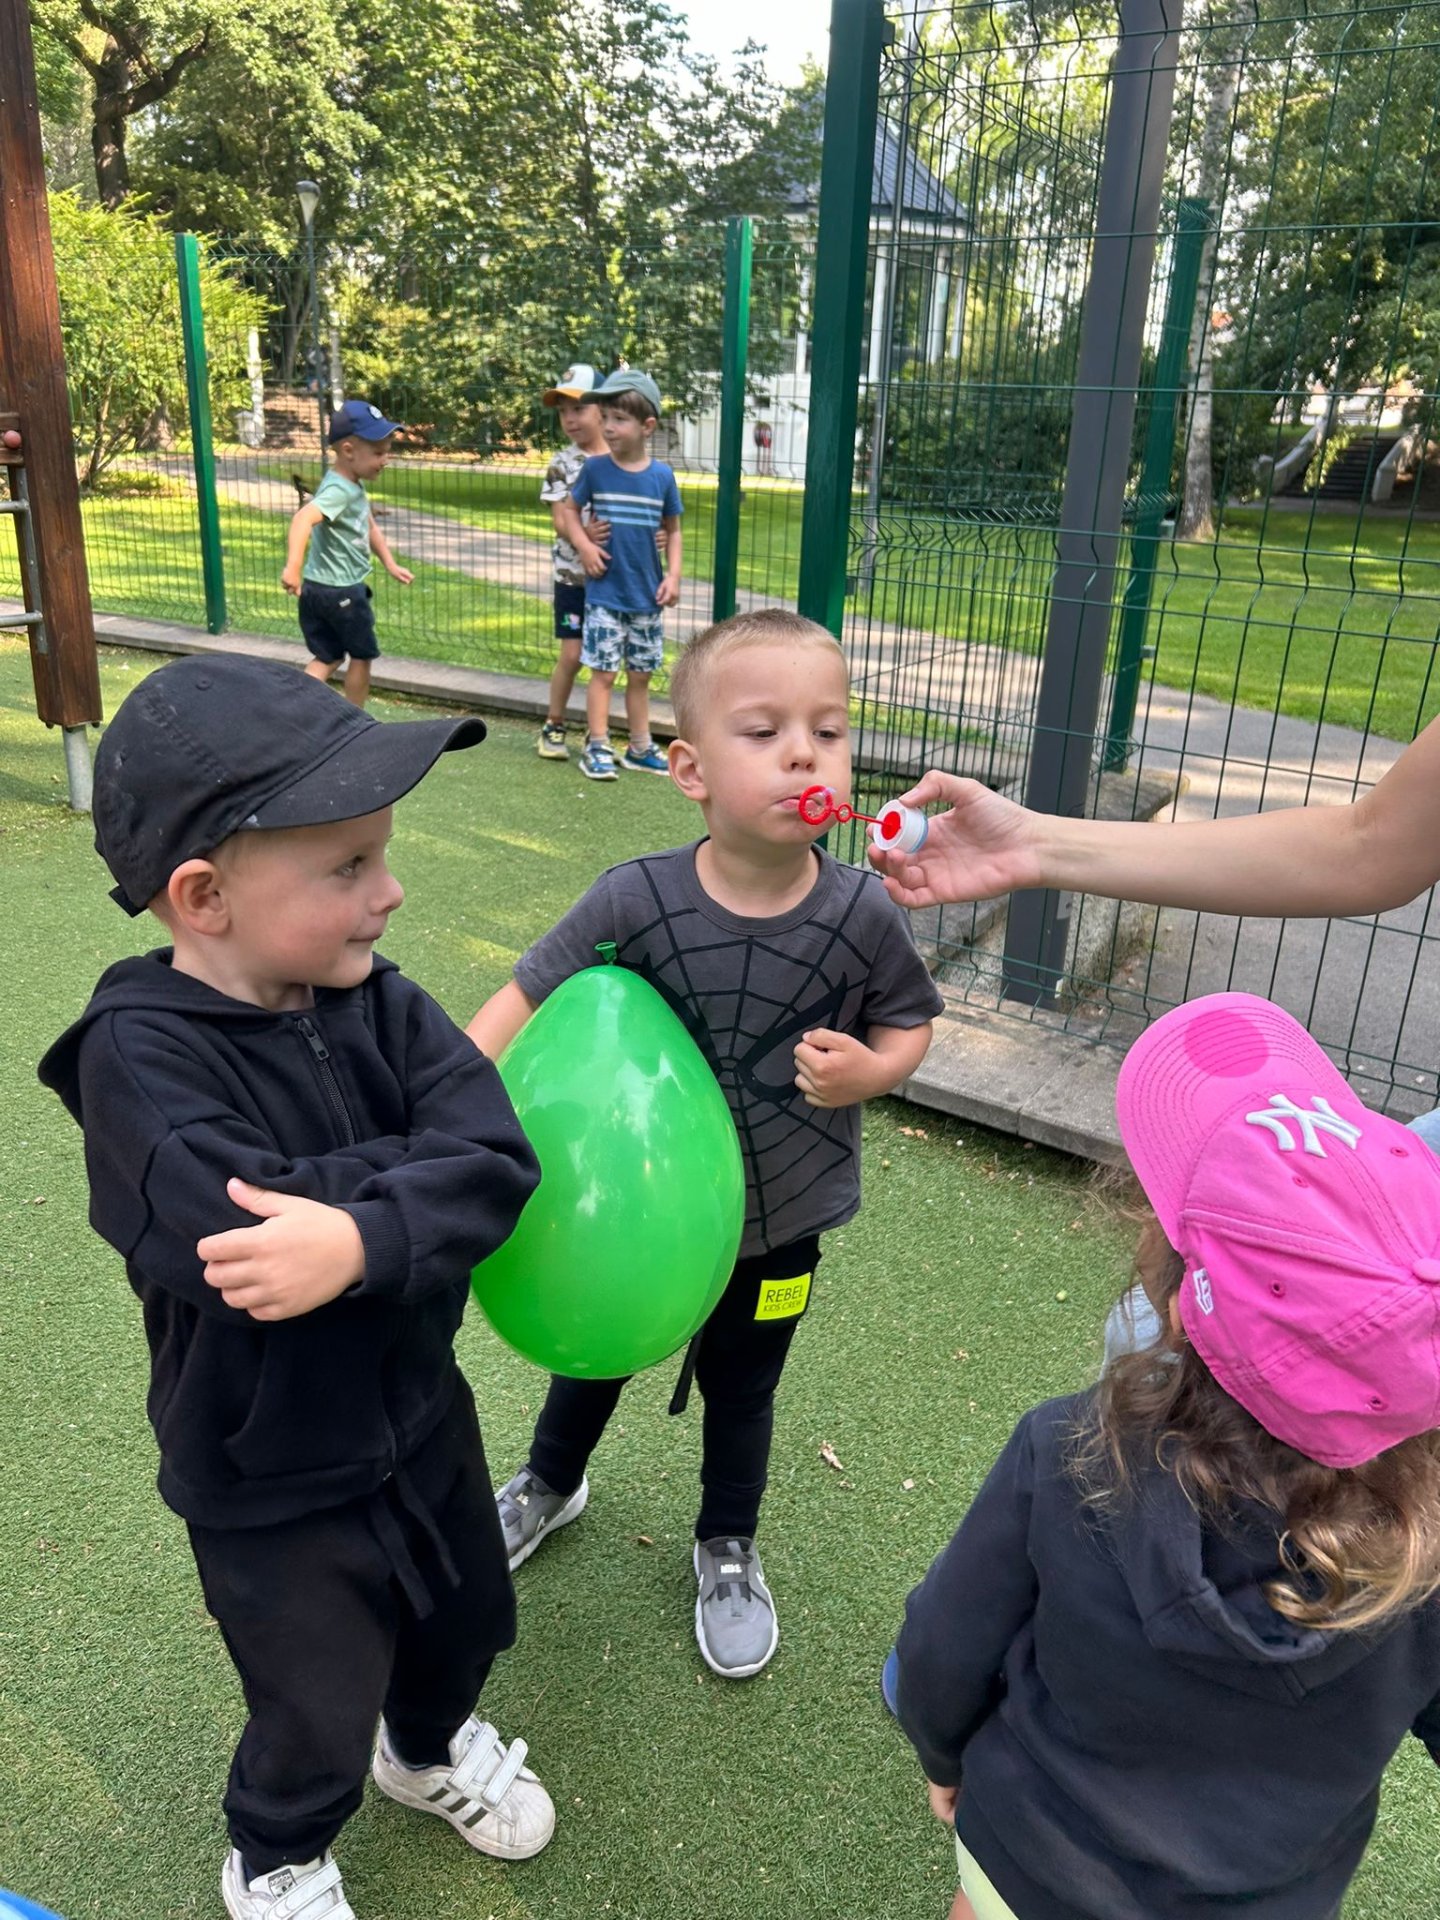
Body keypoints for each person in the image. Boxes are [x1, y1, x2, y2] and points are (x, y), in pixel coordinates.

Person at [38, 657, 556, 1920]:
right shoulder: (133, 1059)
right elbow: (245, 1242)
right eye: (348, 867)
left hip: (420, 1415)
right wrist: (404, 1188)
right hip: (263, 1468)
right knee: (313, 1696)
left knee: (467, 1619)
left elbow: (496, 1156)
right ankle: (274, 1853)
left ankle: (422, 1754)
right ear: (204, 896)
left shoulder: (381, 1001)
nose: (391, 892)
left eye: (383, 856)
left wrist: (361, 1235)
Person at [892, 989, 1440, 1920]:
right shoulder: (1423, 1551)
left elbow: (943, 1648)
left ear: (1183, 1304)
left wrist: (944, 1757)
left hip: (1027, 1856)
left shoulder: (1067, 1451)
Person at [468, 608, 943, 1675]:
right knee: (594, 1350)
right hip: (630, 1218)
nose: (804, 754)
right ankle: (550, 1481)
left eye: (828, 731)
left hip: (784, 1221)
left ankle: (727, 1543)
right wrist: (449, 1093)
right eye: (765, 732)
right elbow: (525, 994)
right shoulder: (635, 897)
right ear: (689, 769)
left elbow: (909, 1022)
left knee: (745, 1385)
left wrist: (872, 1073)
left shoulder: (864, 914)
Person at [553, 369, 682, 782]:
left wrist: (674, 576)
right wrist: (585, 547)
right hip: (605, 596)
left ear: (647, 426)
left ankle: (640, 747)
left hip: (647, 598)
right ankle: (597, 745)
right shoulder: (595, 470)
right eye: (605, 417)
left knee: (640, 676)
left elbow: (674, 530)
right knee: (604, 674)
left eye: (619, 419)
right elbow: (569, 511)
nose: (608, 426)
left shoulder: (662, 477)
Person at [281, 399, 414, 709]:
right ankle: (356, 720)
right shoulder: (340, 491)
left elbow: (369, 527)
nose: (385, 460)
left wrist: (390, 564)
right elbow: (303, 519)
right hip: (342, 592)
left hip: (317, 589)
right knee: (362, 656)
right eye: (378, 453)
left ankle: (294, 711)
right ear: (349, 450)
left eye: (387, 452)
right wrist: (292, 567)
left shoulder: (348, 484)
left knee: (328, 656)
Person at [535, 364, 608, 762]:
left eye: (578, 408)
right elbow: (561, 520)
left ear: (603, 409)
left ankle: (600, 738)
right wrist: (585, 539)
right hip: (572, 578)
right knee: (572, 655)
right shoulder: (562, 463)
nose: (569, 419)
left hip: (612, 580)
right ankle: (554, 723)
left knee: (607, 661)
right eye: (563, 411)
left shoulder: (621, 459)